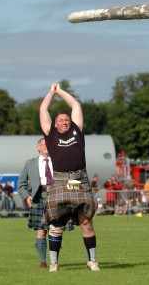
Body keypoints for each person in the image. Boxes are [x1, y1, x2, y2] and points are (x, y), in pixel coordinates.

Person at [39, 83, 99, 272]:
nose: (65, 122)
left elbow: (76, 106)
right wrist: (51, 92)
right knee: (56, 223)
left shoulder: (77, 131)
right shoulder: (50, 134)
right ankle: (54, 263)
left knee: (86, 221)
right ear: (55, 124)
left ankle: (92, 260)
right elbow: (43, 109)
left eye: (67, 119)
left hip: (79, 180)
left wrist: (61, 91)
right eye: (61, 120)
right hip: (60, 181)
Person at [17, 138, 53, 268]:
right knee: (41, 232)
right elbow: (21, 184)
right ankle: (43, 261)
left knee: (56, 230)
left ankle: (54, 262)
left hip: (55, 197)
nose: (46, 146)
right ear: (38, 147)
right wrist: (27, 197)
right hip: (38, 198)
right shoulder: (30, 164)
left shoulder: (58, 162)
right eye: (44, 144)